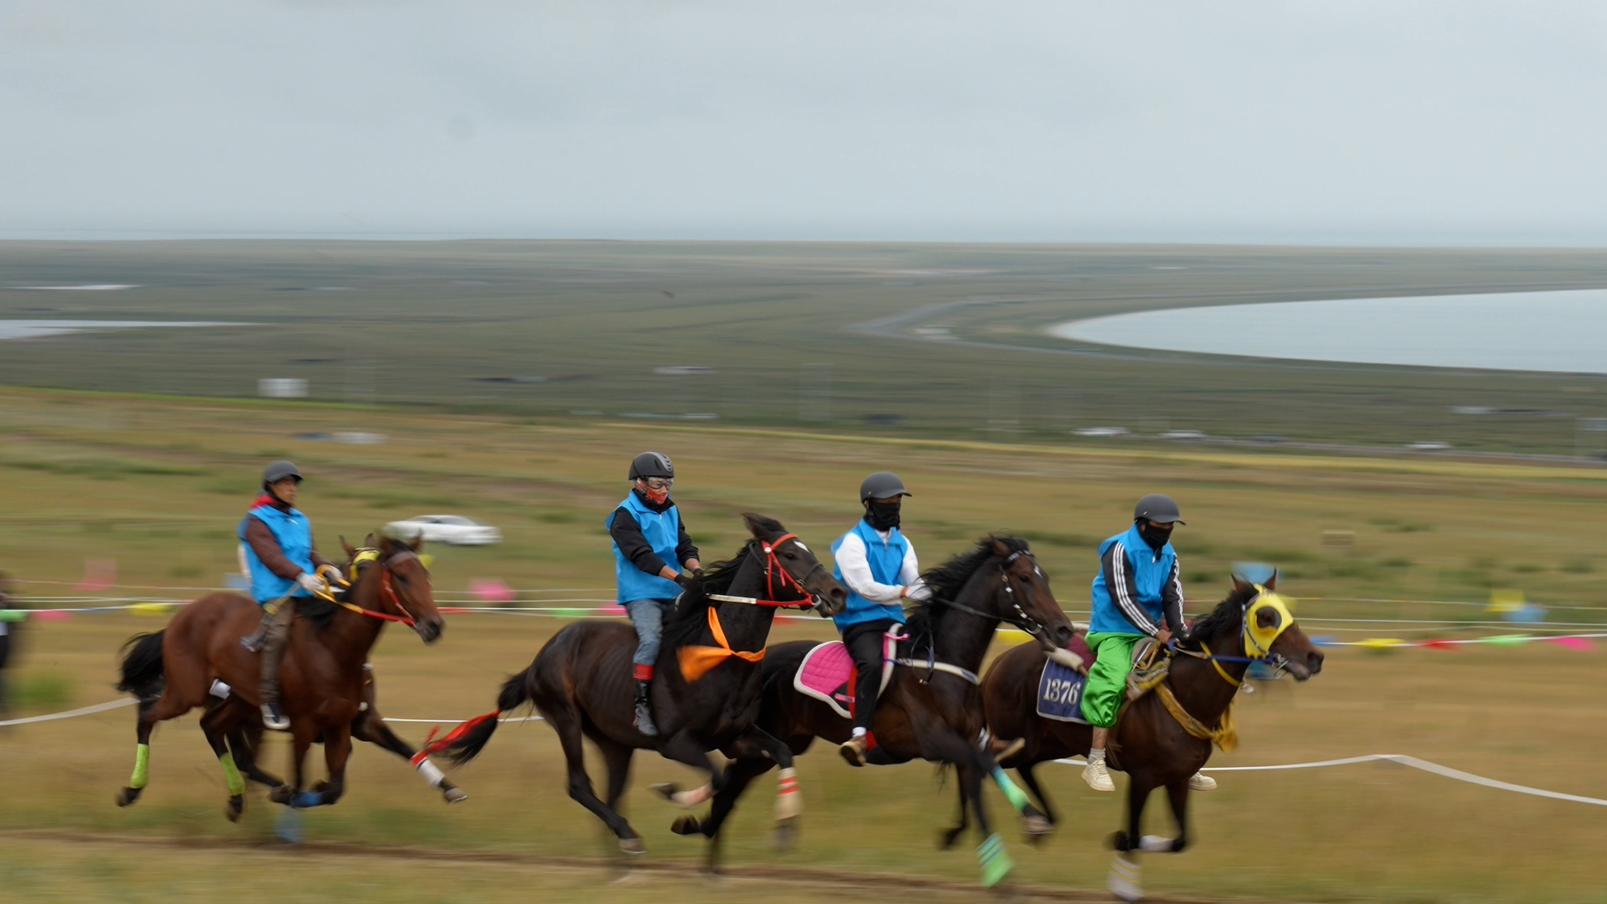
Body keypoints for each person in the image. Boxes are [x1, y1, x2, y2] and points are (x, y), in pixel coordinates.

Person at [1079, 493, 1216, 792]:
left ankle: (1185, 762)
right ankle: (1096, 760)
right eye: (1160, 526)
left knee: (1184, 674)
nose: (1166, 531)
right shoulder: (1118, 549)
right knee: (1112, 679)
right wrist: (1157, 631)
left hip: (1152, 630)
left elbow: (1172, 594)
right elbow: (1123, 599)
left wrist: (1178, 630)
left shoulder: (1169, 554)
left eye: (1170, 526)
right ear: (1142, 524)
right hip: (1113, 630)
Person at [830, 471, 929, 767]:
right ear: (869, 504)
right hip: (859, 623)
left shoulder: (903, 543)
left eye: (897, 500)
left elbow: (915, 582)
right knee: (872, 664)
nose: (893, 506)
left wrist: (938, 596)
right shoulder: (851, 543)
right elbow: (865, 588)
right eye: (887, 501)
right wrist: (904, 591)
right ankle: (859, 735)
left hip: (894, 620)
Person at [238, 460, 341, 730]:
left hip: (308, 587)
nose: (292, 488)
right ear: (271, 487)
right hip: (277, 593)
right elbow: (272, 558)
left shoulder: (300, 519)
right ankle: (269, 699)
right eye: (285, 483)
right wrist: (300, 575)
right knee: (279, 634)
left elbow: (310, 552)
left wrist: (327, 567)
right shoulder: (256, 521)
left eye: (294, 483)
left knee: (344, 621)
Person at [606, 451, 701, 737]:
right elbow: (642, 556)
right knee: (651, 641)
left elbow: (684, 546)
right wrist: (679, 578)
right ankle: (642, 707)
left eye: (668, 483)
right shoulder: (624, 516)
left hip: (673, 590)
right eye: (658, 483)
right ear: (639, 482)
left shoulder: (671, 509)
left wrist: (697, 571)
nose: (664, 489)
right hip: (641, 594)